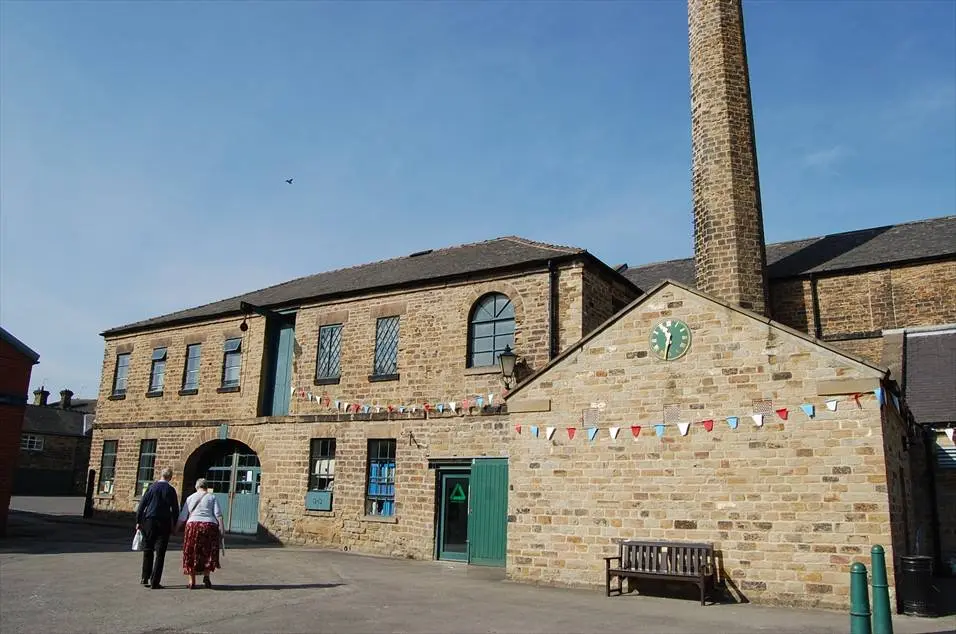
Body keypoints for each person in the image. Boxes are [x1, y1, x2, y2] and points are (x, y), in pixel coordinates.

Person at [176, 477, 224, 589]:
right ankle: (206, 576)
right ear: (206, 487)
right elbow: (218, 515)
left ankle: (192, 581)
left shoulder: (190, 498)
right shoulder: (212, 497)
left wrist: (175, 529)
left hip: (193, 525)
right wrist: (222, 529)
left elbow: (183, 517)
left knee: (191, 552)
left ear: (196, 487)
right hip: (209, 525)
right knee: (208, 552)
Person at [136, 468, 179, 589]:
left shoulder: (152, 487)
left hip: (149, 520)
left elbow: (142, 505)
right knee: (160, 552)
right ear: (170, 477)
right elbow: (175, 509)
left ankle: (145, 576)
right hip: (164, 522)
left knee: (148, 548)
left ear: (161, 475)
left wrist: (138, 521)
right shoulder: (170, 490)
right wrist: (174, 525)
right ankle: (155, 581)